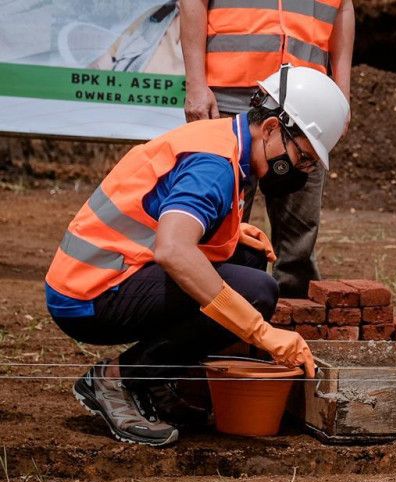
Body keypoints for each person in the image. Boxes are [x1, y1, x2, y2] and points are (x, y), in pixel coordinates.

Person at [44, 65, 350, 446]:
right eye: (303, 156)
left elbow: (163, 212)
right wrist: (261, 331)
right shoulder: (216, 165)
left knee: (248, 261)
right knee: (257, 292)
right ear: (271, 128)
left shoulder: (227, 142)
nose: (300, 170)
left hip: (105, 274)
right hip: (87, 295)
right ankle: (117, 379)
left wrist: (232, 233)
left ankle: (152, 380)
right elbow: (173, 249)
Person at [179, 0, 355, 298]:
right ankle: (211, 320)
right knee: (217, 226)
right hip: (230, 94)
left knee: (300, 233)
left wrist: (341, 93)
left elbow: (343, 9)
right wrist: (196, 84)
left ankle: (295, 314)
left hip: (306, 99)